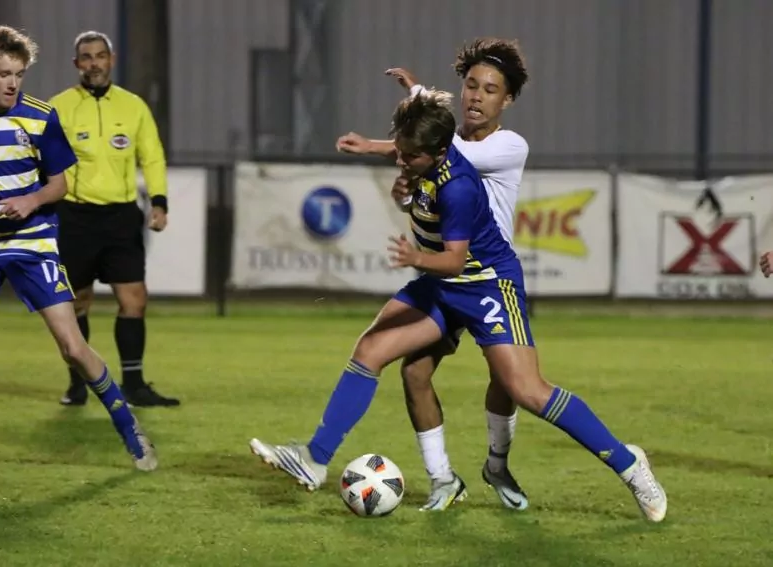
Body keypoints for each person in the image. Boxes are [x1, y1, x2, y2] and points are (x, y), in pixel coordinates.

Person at [250, 88, 667, 523]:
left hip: (487, 286)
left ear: (438, 153)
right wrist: (382, 158)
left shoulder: (460, 188)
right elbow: (411, 152)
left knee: (527, 390)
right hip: (442, 286)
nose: (401, 160)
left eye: (410, 156)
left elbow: (453, 260)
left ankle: (629, 465)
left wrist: (414, 257)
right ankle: (318, 459)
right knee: (375, 352)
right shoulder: (424, 160)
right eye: (400, 151)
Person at [0, 25, 157, 478]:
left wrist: (31, 201)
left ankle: (127, 424)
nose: (13, 83)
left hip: (32, 245)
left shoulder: (40, 117)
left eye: (19, 74)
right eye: (4, 74)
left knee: (72, 347)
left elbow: (60, 184)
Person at [336, 38, 530, 511]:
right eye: (470, 85)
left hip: (488, 278)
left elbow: (445, 150)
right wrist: (406, 189)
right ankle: (443, 479)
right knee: (415, 371)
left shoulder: (508, 146)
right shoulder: (445, 145)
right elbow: (433, 153)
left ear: (507, 100)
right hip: (448, 278)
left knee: (509, 383)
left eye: (490, 90)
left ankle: (497, 463)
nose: (476, 96)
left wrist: (390, 129)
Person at [49, 31, 179, 408]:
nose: (94, 63)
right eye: (86, 57)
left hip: (121, 216)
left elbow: (152, 156)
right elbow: (42, 161)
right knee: (77, 303)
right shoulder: (57, 108)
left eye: (100, 56)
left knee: (134, 299)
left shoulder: (133, 106)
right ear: (76, 64)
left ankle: (134, 385)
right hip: (74, 216)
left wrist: (159, 202)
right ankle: (78, 383)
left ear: (112, 59)